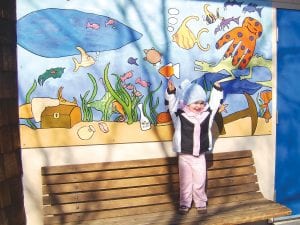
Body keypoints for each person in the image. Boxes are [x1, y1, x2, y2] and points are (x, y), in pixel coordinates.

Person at [165, 79, 223, 214]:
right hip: (184, 156)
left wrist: (216, 89)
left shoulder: (206, 115)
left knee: (200, 180)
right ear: (188, 102)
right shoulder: (179, 115)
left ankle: (201, 202)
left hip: (199, 156)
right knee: (185, 182)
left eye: (202, 102)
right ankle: (184, 203)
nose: (199, 106)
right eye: (195, 102)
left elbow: (214, 105)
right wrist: (171, 92)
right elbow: (172, 104)